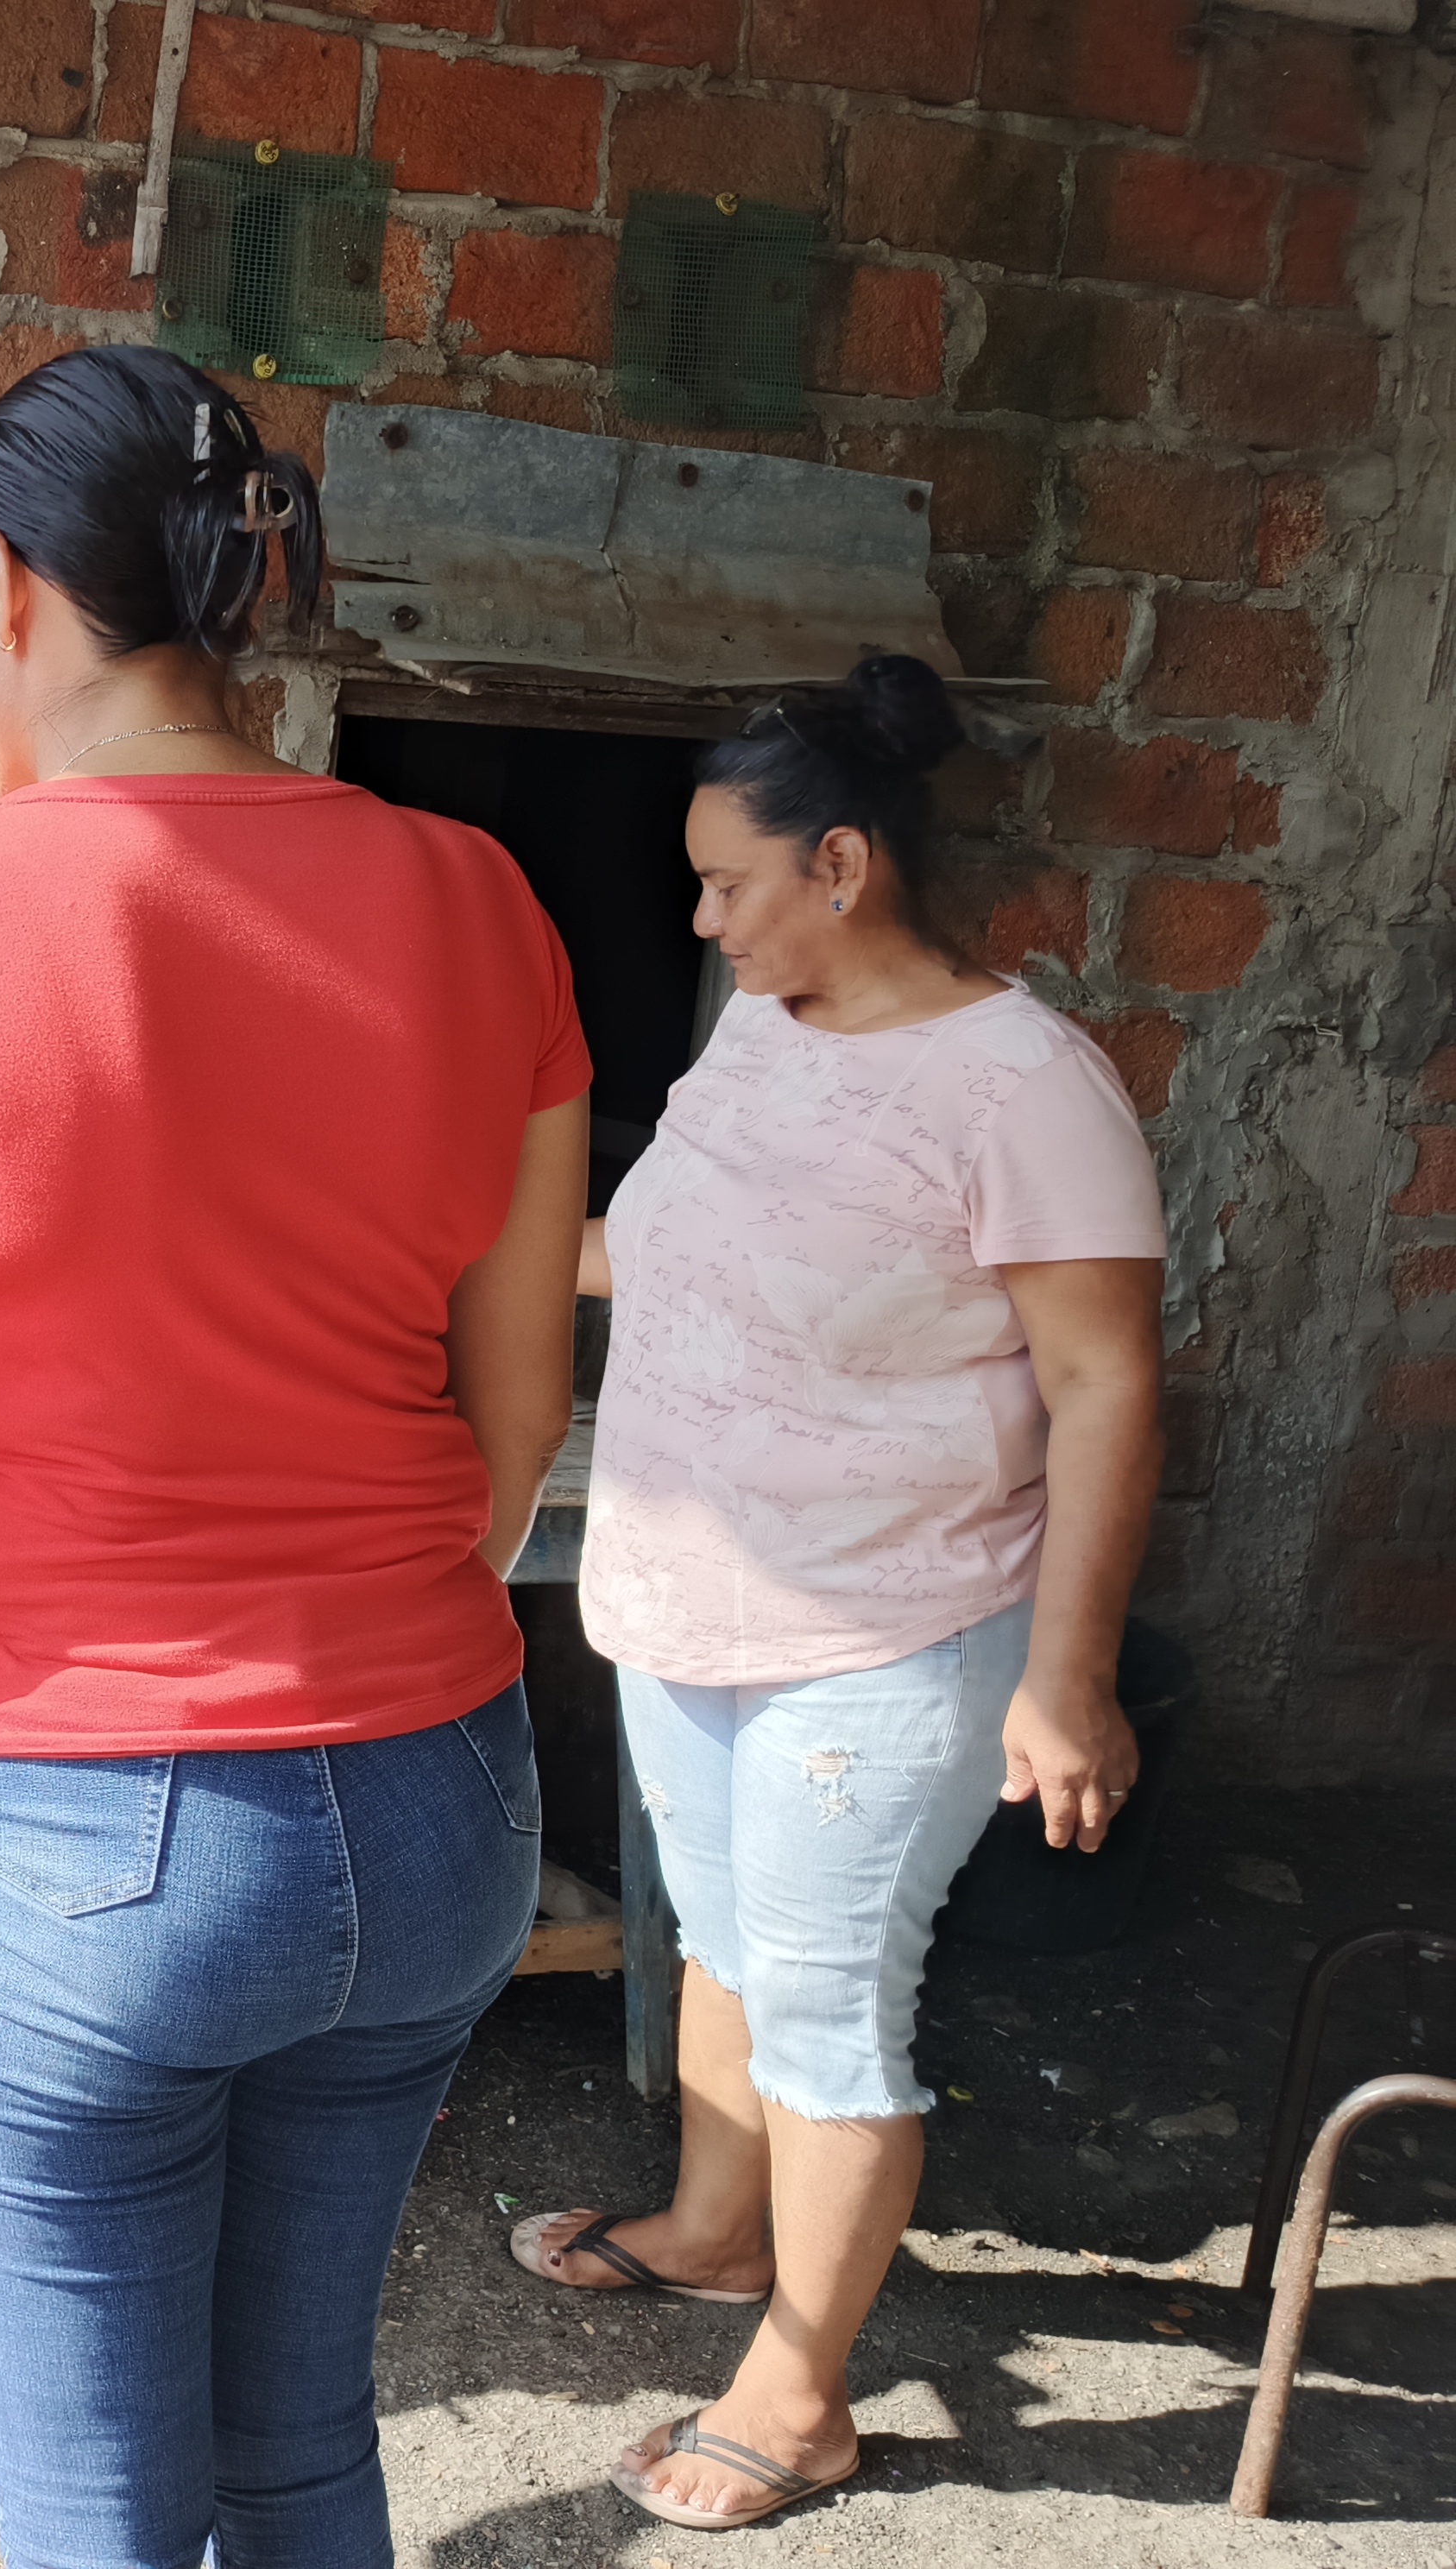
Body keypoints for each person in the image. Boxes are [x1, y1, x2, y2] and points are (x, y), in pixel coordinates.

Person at [0, 344, 590, 2569]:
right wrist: (352, 1640)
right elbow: (517, 1411)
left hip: (82, 1845)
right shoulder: (482, 901)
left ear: (9, 588)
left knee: (97, 2513)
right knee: (299, 2449)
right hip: (443, 1804)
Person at [523, 656, 1166, 2534]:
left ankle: (801, 2399)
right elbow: (672, 1252)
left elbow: (1107, 1387)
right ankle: (720, 2234)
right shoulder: (765, 1027)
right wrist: (434, 1255)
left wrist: (1071, 1678)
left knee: (824, 2011)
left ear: (845, 865)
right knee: (725, 1948)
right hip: (692, 1597)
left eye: (728, 882)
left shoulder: (1023, 1089)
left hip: (889, 1628)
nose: (702, 920)